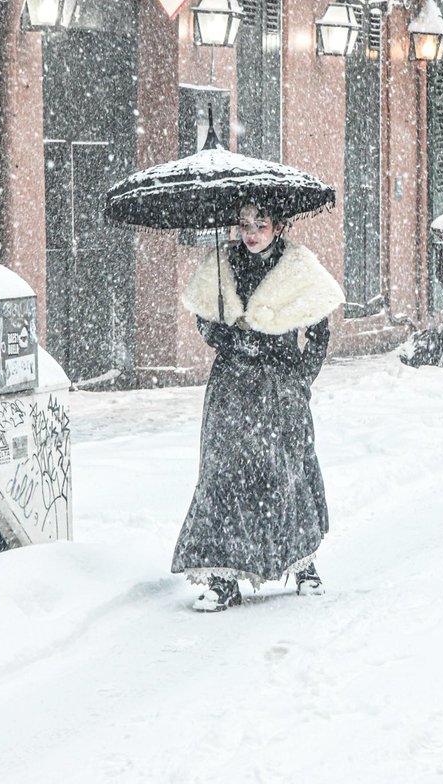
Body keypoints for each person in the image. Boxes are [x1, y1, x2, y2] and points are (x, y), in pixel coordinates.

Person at [172, 201, 345, 611]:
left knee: (287, 472)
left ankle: (302, 566)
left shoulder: (298, 268)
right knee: (224, 477)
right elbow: (205, 320)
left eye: (260, 224)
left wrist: (302, 377)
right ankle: (224, 577)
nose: (250, 233)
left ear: (279, 226)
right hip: (231, 388)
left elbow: (319, 329)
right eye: (244, 224)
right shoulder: (223, 264)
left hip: (280, 389)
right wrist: (231, 338)